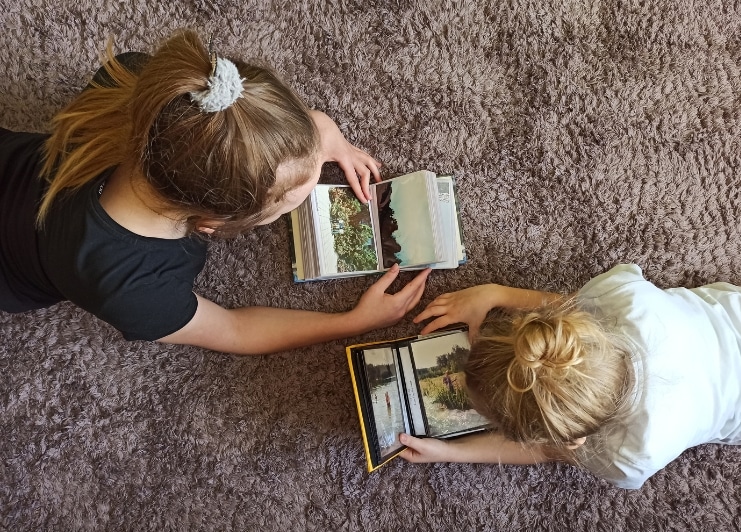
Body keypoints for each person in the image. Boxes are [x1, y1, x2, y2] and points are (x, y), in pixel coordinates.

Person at [0, 30, 430, 355]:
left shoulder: (148, 89)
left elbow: (242, 122)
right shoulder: (134, 290)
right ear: (210, 225)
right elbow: (235, 330)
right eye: (285, 206)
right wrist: (351, 322)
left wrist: (321, 141)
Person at [399, 263, 741, 489]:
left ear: (572, 439)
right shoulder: (624, 297)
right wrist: (494, 293)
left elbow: (548, 452)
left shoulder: (630, 456)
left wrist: (452, 451)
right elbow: (567, 311)